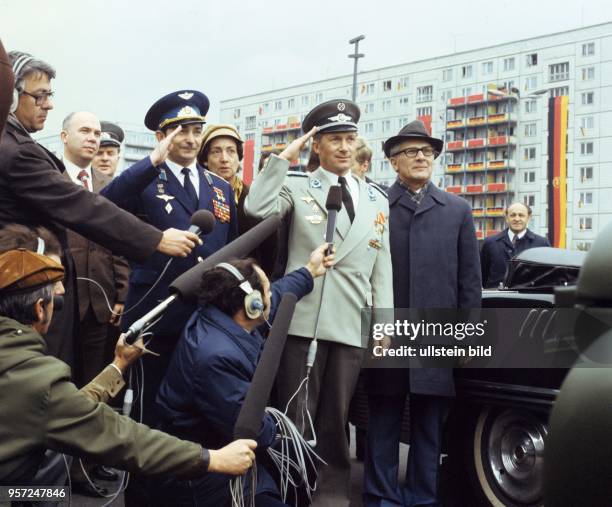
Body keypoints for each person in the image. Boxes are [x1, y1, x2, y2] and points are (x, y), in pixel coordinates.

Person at [0, 51, 199, 369]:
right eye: (39, 96)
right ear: (9, 96)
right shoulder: (16, 151)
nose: (49, 104)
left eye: (50, 95)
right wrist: (155, 239)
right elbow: (80, 205)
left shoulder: (16, 144)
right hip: (25, 296)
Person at [0, 248, 257, 487]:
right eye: (56, 300)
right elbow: (123, 437)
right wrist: (211, 459)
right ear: (39, 310)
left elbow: (64, 409)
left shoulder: (25, 375)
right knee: (53, 467)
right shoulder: (38, 381)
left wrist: (118, 365)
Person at [245, 99, 393, 507]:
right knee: (296, 416)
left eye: (350, 139)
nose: (344, 148)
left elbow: (383, 266)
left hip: (348, 322)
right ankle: (291, 493)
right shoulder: (296, 185)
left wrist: (383, 323)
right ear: (318, 146)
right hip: (303, 321)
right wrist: (281, 159)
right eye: (334, 140)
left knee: (336, 420)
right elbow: (255, 208)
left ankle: (332, 498)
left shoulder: (377, 199)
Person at [156, 243, 334, 506]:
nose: (271, 296)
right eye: (267, 292)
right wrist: (279, 429)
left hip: (216, 453)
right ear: (251, 305)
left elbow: (280, 294)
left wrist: (309, 271)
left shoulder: (222, 318)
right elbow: (255, 431)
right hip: (201, 476)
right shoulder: (216, 359)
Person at [364, 120, 481, 507]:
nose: (420, 157)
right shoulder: (375, 206)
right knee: (382, 419)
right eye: (411, 152)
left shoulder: (457, 210)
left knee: (430, 425)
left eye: (427, 152)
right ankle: (380, 496)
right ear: (393, 162)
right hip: (388, 332)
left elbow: (470, 280)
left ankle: (420, 498)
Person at [59, 110, 131, 491]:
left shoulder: (111, 189)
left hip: (99, 303)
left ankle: (86, 466)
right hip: (58, 305)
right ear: (64, 136)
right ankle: (52, 471)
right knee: (59, 388)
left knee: (97, 386)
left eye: (100, 135)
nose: (94, 142)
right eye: (85, 132)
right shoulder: (52, 178)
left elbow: (120, 247)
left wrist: (121, 295)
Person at [198, 123, 277, 274]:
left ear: (239, 157)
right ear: (204, 160)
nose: (224, 159)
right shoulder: (196, 195)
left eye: (231, 151)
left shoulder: (253, 198)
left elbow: (269, 251)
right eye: (216, 152)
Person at [480, 202, 551, 288]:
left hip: (529, 299)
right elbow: (482, 276)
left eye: (521, 215)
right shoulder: (490, 243)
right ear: (506, 218)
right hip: (496, 299)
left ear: (529, 218)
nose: (517, 219)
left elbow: (547, 278)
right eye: (513, 215)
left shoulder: (541, 244)